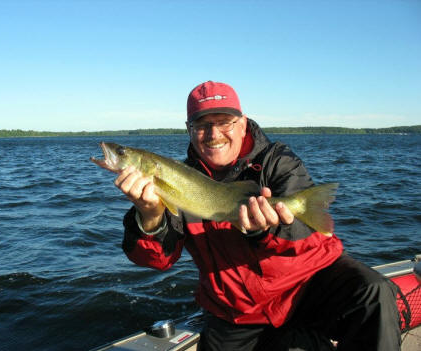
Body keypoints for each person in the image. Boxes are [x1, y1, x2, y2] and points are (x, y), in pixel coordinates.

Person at [115, 81, 400, 350]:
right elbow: (158, 260)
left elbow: (312, 238)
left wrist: (265, 230)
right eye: (202, 125)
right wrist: (149, 215)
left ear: (242, 124)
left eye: (224, 122)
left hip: (305, 287)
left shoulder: (279, 161)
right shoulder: (177, 180)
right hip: (235, 310)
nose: (214, 134)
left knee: (374, 291)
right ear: (189, 130)